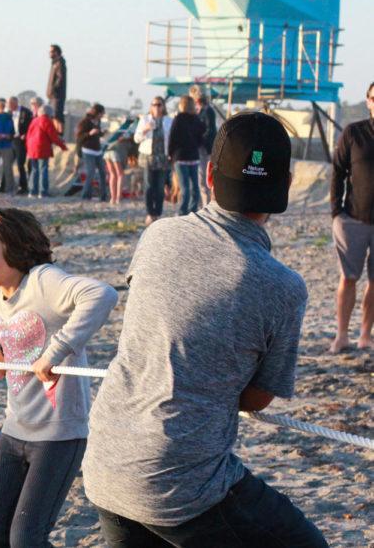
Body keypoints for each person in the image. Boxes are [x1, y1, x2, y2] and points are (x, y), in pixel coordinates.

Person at [82, 112, 327, 547]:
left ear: (210, 174)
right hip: (180, 481)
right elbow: (255, 398)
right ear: (287, 184)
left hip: (105, 459)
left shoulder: (157, 236)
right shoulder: (283, 286)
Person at [0, 206, 117, 548]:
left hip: (59, 434)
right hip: (14, 429)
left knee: (25, 540)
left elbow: (101, 294)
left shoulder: (42, 280)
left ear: (12, 244)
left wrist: (57, 350)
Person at [329, 81, 374, 353]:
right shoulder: (353, 133)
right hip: (352, 219)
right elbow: (337, 171)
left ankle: (365, 334)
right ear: (369, 101)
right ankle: (342, 334)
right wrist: (336, 213)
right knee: (348, 278)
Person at [135, 97, 172, 225]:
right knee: (149, 186)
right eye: (154, 105)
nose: (156, 107)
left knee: (160, 187)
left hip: (162, 157)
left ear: (163, 107)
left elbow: (171, 139)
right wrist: (146, 129)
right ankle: (150, 213)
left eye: (159, 105)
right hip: (148, 157)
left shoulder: (168, 121)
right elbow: (137, 138)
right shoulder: (145, 119)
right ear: (151, 106)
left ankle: (158, 212)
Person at [168, 95, 206, 216]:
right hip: (193, 157)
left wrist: (170, 154)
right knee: (194, 188)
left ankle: (182, 212)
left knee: (185, 188)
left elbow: (172, 138)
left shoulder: (178, 119)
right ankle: (191, 211)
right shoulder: (196, 119)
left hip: (180, 157)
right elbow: (201, 137)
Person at [26, 104, 68, 198]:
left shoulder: (34, 120)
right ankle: (43, 192)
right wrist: (63, 146)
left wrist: (28, 148)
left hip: (32, 148)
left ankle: (32, 191)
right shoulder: (47, 121)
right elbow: (53, 137)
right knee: (43, 170)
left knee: (34, 170)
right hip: (42, 148)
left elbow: (28, 135)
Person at [190, 85, 218, 206]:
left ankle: (207, 204)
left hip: (207, 148)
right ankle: (205, 203)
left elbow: (210, 130)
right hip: (201, 148)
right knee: (201, 178)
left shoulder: (207, 111)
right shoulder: (199, 111)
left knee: (206, 177)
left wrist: (199, 140)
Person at [78, 103, 108, 201]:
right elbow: (79, 137)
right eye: (102, 113)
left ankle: (103, 196)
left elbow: (97, 134)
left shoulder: (98, 121)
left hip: (97, 150)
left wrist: (102, 133)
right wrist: (89, 133)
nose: (102, 115)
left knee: (103, 173)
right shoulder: (85, 122)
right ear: (97, 113)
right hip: (87, 150)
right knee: (90, 173)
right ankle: (85, 195)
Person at [8, 96, 33, 195]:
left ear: (16, 103)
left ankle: (23, 186)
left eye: (11, 104)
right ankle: (7, 185)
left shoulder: (25, 112)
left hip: (21, 141)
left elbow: (31, 125)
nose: (10, 107)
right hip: (12, 140)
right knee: (8, 163)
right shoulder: (9, 113)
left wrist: (26, 134)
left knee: (20, 164)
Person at [47, 44, 67, 134]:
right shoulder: (55, 63)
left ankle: (58, 133)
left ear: (56, 52)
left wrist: (54, 89)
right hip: (53, 95)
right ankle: (56, 133)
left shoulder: (60, 63)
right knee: (54, 115)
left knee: (57, 115)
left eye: (51, 51)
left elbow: (60, 78)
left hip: (57, 95)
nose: (49, 53)